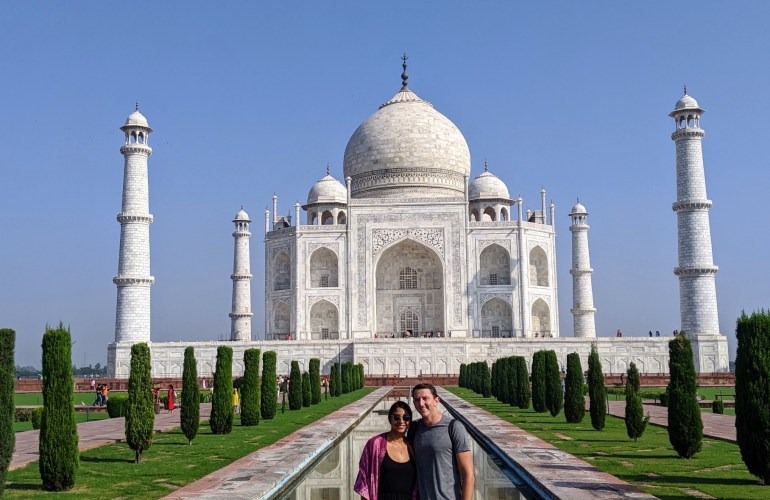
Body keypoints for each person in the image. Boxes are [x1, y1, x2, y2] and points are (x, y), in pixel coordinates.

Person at [410, 383, 474, 500]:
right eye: (417, 400)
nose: (421, 403)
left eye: (425, 398)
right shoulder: (414, 429)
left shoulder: (453, 427)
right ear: (413, 403)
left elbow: (468, 475)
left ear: (436, 401)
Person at [354, 401, 417, 500]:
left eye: (406, 418)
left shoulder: (413, 447)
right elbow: (364, 480)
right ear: (390, 419)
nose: (401, 421)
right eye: (396, 417)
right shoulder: (375, 444)